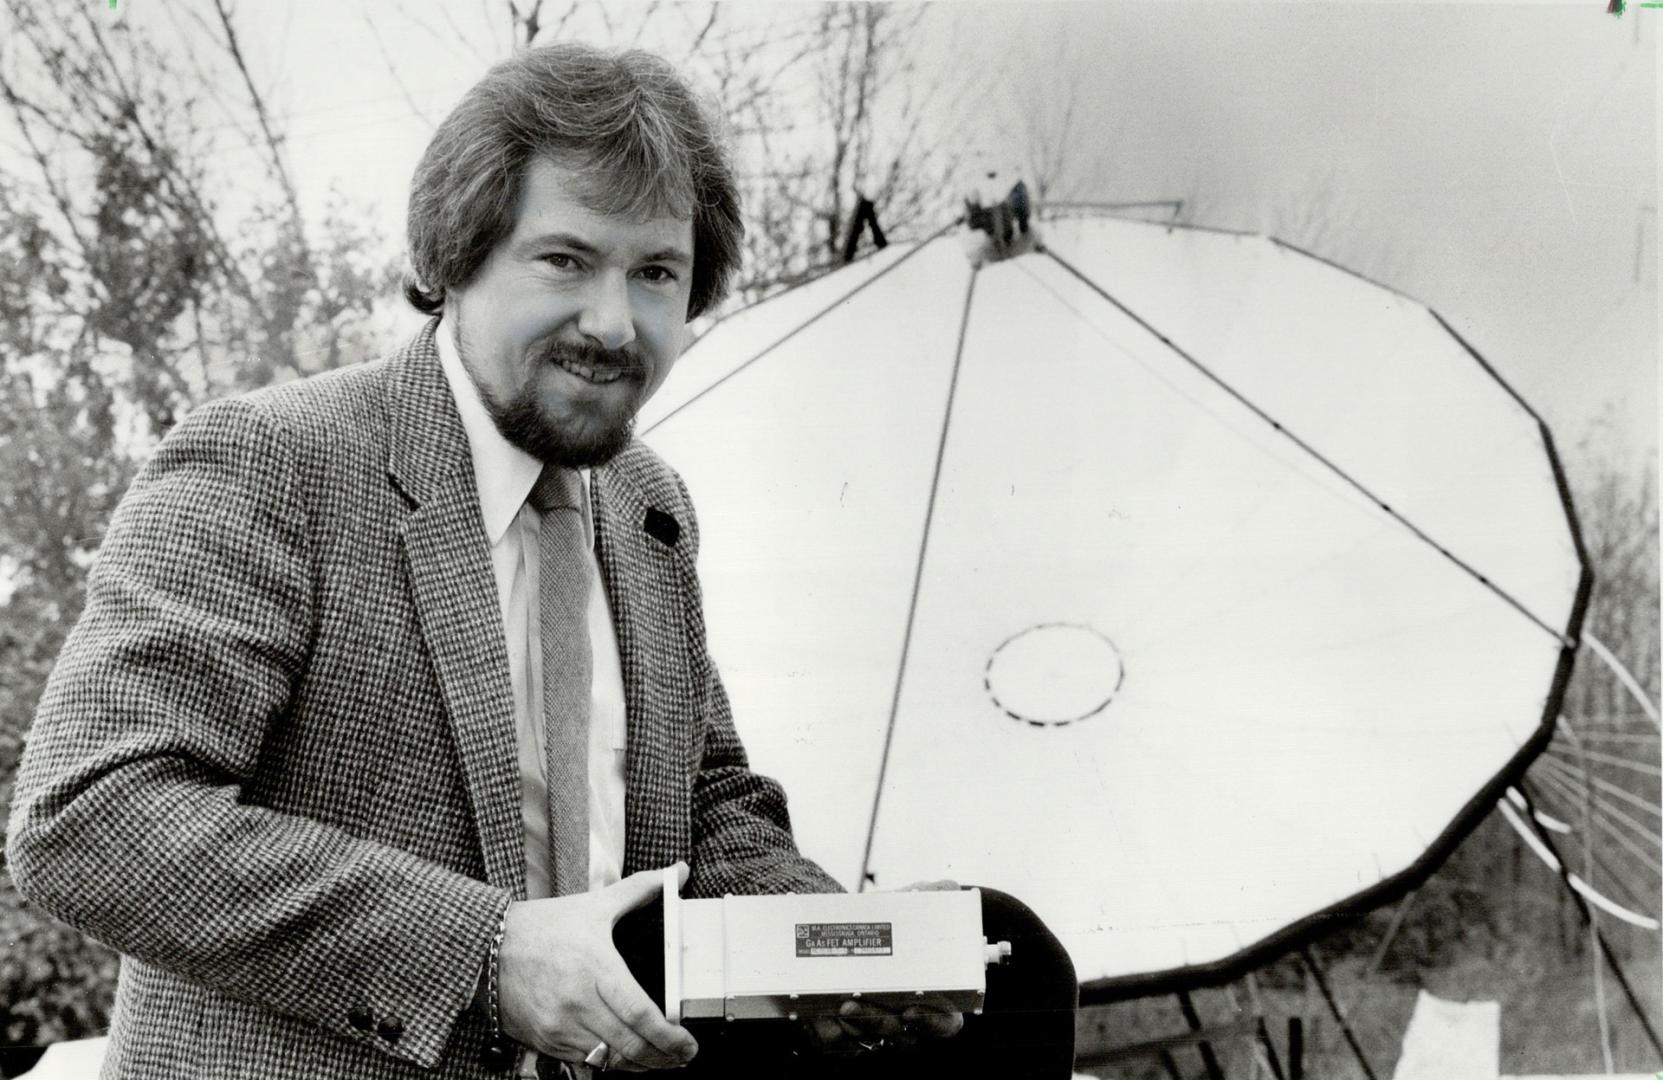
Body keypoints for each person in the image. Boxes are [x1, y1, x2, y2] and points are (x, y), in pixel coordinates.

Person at [6, 43, 1074, 1079]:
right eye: (566, 259)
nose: (614, 323)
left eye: (657, 273)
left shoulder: (648, 505)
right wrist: (485, 953)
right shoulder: (275, 462)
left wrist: (838, 954)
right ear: (455, 259)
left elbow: (703, 811)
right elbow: (90, 817)